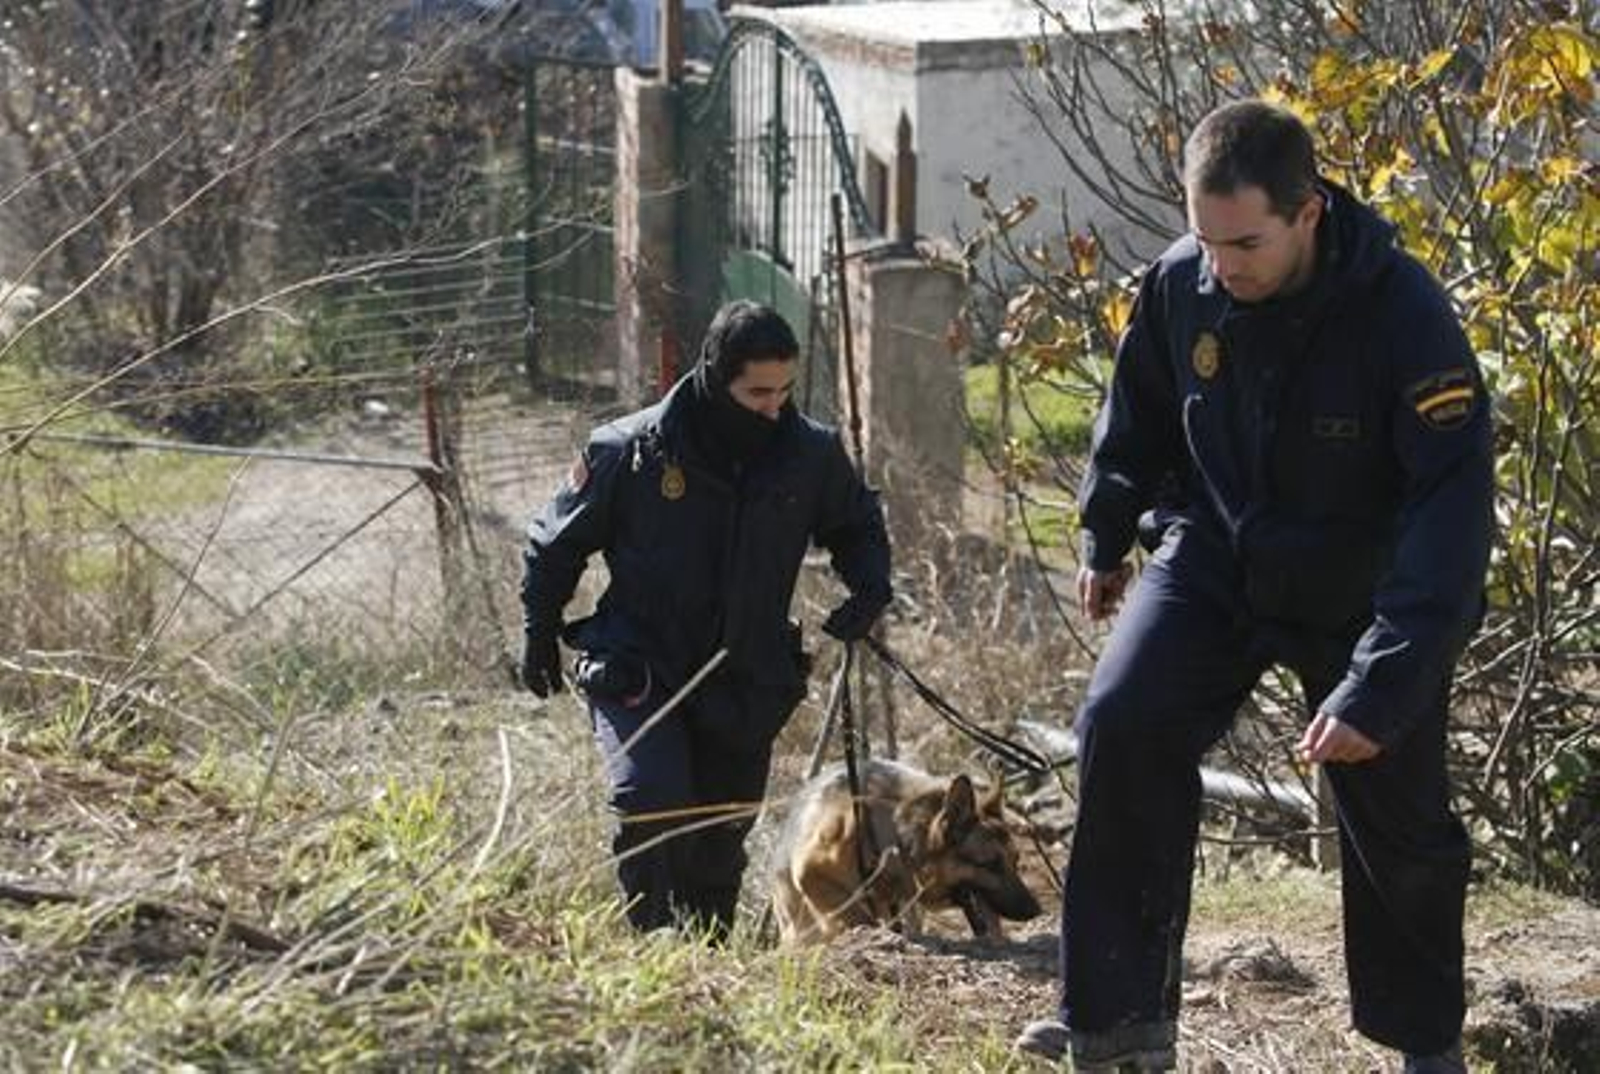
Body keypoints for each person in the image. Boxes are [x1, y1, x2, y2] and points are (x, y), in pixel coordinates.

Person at [1015, 100, 1492, 1072]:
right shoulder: (1178, 283)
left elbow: (1449, 515)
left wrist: (1385, 682)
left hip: (1362, 581)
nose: (1221, 266)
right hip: (1219, 550)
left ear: (1308, 211)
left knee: (1394, 807)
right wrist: (1105, 536)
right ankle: (1116, 1021)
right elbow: (1136, 416)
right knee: (1123, 720)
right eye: (1204, 238)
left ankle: (1422, 1043)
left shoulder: (1404, 314)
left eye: (1244, 243)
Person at [519, 300, 892, 940]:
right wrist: (538, 634)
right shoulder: (629, 452)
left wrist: (868, 588)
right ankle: (652, 948)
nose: (773, 408)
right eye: (756, 393)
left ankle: (707, 960)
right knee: (651, 804)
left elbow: (856, 525)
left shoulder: (810, 454)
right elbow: (557, 547)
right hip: (640, 664)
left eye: (784, 392)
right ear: (716, 377)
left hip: (745, 674)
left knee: (720, 834)